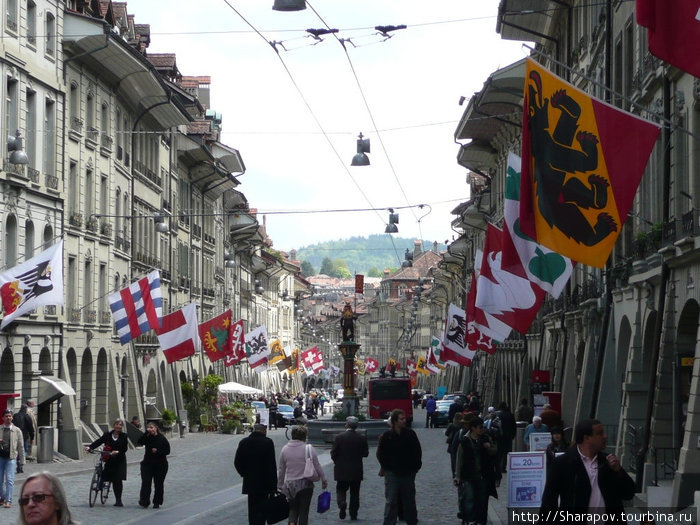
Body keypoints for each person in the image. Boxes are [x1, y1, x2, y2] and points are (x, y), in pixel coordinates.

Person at [540, 419, 635, 521]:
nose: (605, 436)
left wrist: (618, 471)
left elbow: (629, 493)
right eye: (600, 433)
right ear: (587, 438)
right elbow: (549, 501)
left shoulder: (608, 462)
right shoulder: (562, 463)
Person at [376, 408, 422, 525]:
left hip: (408, 472)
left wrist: (415, 468)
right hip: (392, 472)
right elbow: (381, 453)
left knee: (409, 500)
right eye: (402, 419)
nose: (404, 421)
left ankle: (412, 521)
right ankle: (389, 522)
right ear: (395, 421)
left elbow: (417, 452)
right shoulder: (387, 436)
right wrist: (385, 466)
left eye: (404, 418)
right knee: (391, 500)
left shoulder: (410, 434)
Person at [277, 425, 328, 525]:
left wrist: (280, 485)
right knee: (304, 511)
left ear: (292, 435)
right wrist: (324, 479)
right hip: (306, 484)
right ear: (304, 435)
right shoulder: (308, 448)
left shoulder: (285, 449)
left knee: (293, 509)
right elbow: (317, 465)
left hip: (291, 484)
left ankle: (292, 523)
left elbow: (281, 469)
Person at [454, 417, 498, 525]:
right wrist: (457, 476)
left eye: (482, 427)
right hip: (468, 475)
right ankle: (469, 519)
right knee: (469, 499)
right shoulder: (465, 440)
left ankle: (481, 521)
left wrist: (489, 447)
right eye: (480, 427)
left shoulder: (486, 438)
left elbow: (495, 451)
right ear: (473, 428)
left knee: (482, 500)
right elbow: (459, 459)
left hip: (483, 475)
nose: (482, 429)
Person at [235, 423, 277, 525]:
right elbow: (272, 465)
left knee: (252, 509)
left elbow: (237, 462)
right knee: (262, 510)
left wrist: (244, 473)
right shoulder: (268, 443)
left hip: (250, 482)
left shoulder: (244, 442)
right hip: (264, 483)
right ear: (263, 431)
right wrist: (274, 485)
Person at [331, 416, 369, 520]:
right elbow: (365, 454)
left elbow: (333, 453)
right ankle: (353, 514)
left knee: (341, 489)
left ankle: (342, 502)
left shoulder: (339, 437)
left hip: (341, 470)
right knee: (355, 493)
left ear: (347, 424)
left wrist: (337, 462)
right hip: (356, 470)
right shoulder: (361, 438)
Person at [84, 418, 128, 507]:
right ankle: (100, 486)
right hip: (109, 458)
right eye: (117, 424)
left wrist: (118, 452)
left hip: (119, 460)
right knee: (105, 475)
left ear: (122, 427)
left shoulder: (124, 436)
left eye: (120, 425)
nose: (118, 426)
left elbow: (124, 448)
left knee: (117, 480)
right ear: (114, 425)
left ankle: (118, 500)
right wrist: (90, 447)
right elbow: (99, 441)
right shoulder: (108, 435)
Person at [137, 422, 171, 509]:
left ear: (156, 428)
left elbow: (167, 451)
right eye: (148, 428)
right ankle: (144, 501)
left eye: (152, 427)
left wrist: (158, 451)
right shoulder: (147, 437)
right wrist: (146, 433)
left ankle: (157, 502)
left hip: (160, 464)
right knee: (146, 482)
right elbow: (140, 442)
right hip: (147, 463)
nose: (150, 429)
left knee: (158, 483)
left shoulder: (162, 438)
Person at [0, 408, 25, 508]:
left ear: (12, 417)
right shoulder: (0, 428)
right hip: (0, 457)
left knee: (9, 480)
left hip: (11, 458)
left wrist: (22, 461)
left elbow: (21, 446)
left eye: (10, 416)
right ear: (2, 418)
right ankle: (2, 497)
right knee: (0, 480)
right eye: (6, 416)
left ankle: (8, 500)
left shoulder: (17, 430)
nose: (8, 418)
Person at [496, 402, 516, 473]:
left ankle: (497, 466)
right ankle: (503, 467)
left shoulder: (497, 415)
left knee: (499, 452)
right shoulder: (510, 414)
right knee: (506, 452)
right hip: (508, 436)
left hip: (498, 437)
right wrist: (513, 435)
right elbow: (514, 426)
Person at [13, 405, 34, 469]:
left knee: (16, 450)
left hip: (15, 435)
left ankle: (17, 461)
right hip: (24, 436)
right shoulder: (27, 416)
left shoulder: (15, 415)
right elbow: (31, 428)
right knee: (24, 450)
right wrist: (32, 437)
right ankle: (20, 464)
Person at [446, 412, 465, 476]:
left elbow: (447, 433)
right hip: (460, 443)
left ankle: (454, 473)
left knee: (453, 459)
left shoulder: (452, 425)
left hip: (452, 444)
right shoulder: (462, 425)